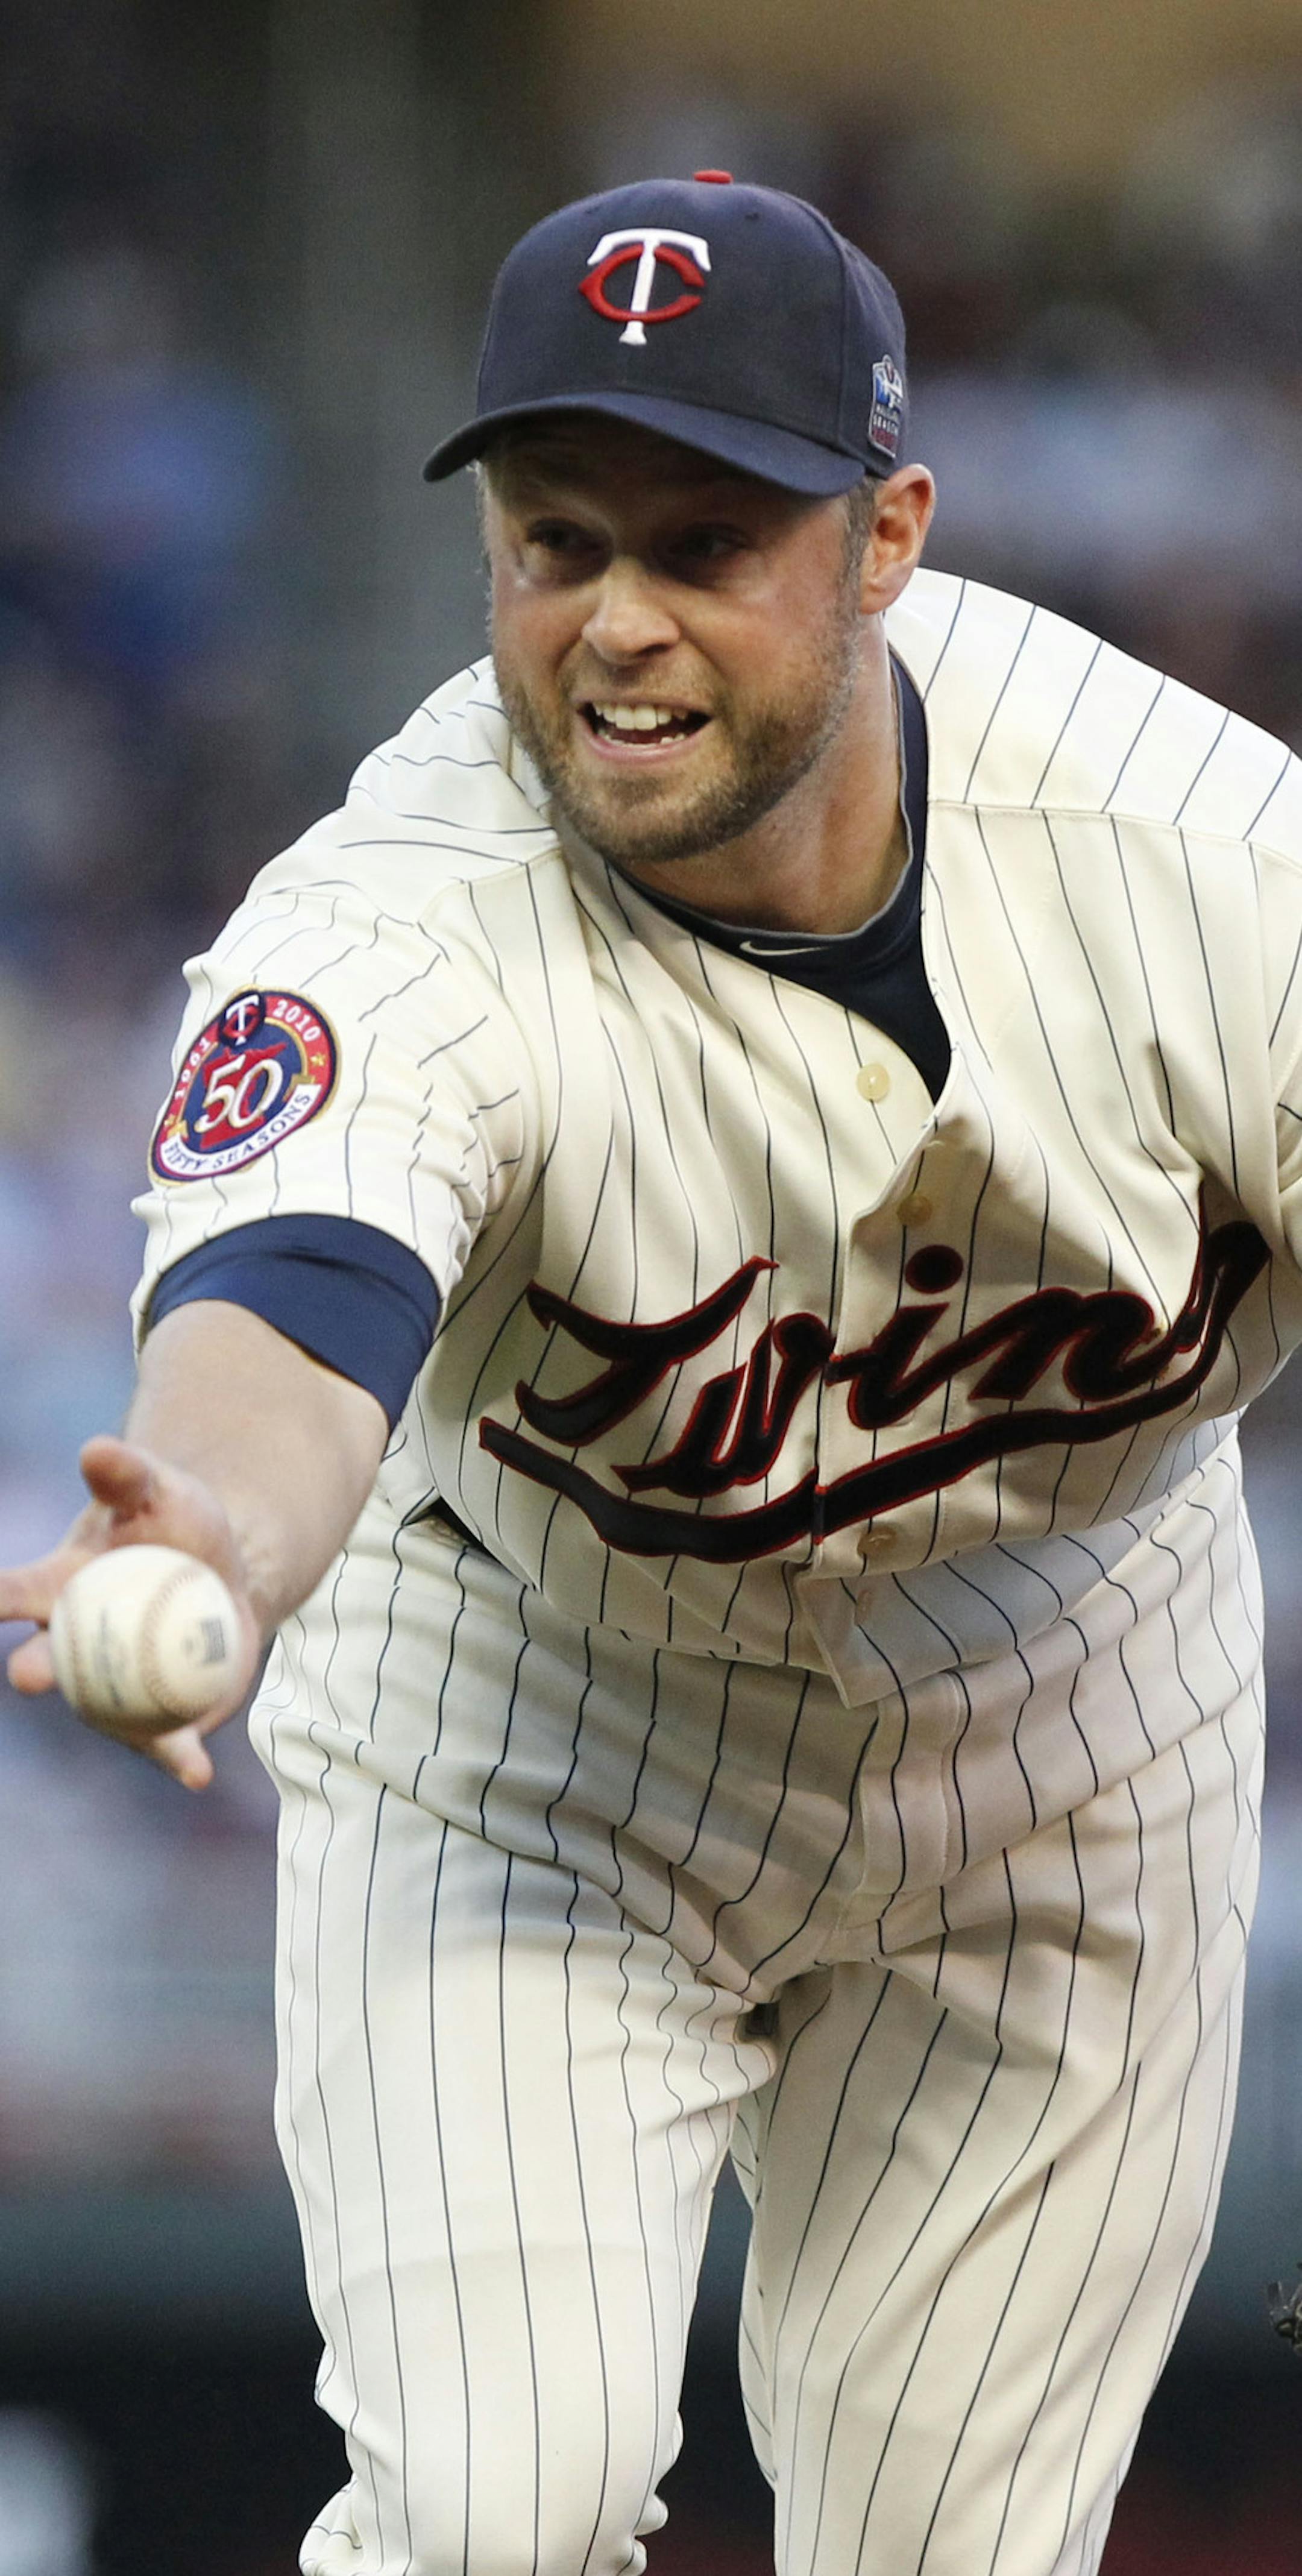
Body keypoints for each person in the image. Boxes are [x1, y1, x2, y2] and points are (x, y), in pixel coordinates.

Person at [2, 172, 1301, 2576]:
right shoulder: (404, 914)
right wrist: (202, 1524)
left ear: (888, 534)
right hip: (540, 1742)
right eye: (554, 538)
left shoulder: (1203, 861)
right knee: (500, 2517)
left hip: (1070, 1728)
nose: (613, 621)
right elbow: (288, 1301)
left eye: (704, 542)